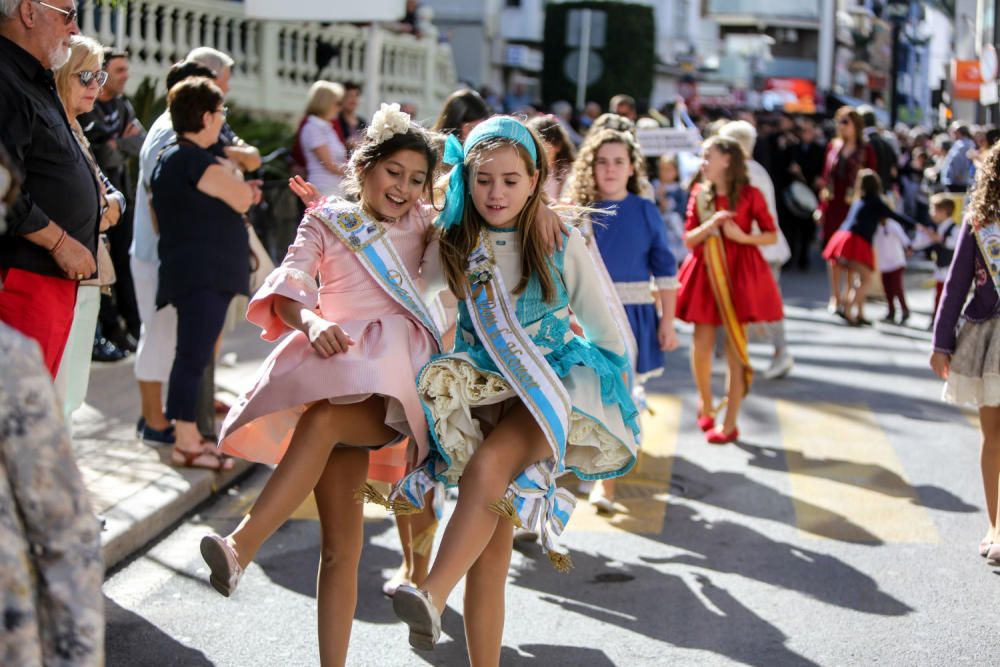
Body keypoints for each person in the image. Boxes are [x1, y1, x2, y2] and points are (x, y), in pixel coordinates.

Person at [390, 117, 639, 664]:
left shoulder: (559, 238)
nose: (496, 192)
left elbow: (607, 331)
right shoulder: (454, 240)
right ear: (466, 179)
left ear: (534, 180)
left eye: (509, 179)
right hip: (482, 395)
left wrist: (613, 396)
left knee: (488, 469)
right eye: (483, 180)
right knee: (489, 559)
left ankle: (431, 594)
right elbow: (404, 288)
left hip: (547, 392)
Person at [565, 126, 678, 512]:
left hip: (631, 317)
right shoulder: (576, 213)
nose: (610, 170)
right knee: (586, 397)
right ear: (590, 167)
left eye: (619, 162)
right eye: (602, 162)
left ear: (632, 167)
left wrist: (668, 320)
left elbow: (664, 266)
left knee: (617, 397)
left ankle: (606, 486)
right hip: (584, 320)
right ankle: (584, 469)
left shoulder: (645, 210)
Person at [150, 76, 256, 470]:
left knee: (192, 356)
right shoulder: (192, 159)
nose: (222, 119)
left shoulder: (175, 158)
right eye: (221, 112)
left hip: (196, 271)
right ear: (208, 116)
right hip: (202, 275)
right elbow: (242, 196)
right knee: (192, 357)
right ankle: (186, 441)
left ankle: (189, 437)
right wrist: (234, 178)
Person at [0, 0, 100, 377]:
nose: (74, 29)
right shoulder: (6, 79)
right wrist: (60, 242)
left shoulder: (33, 77)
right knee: (16, 417)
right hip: (24, 278)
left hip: (46, 280)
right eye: (68, 15)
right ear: (28, 12)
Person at [130, 59, 216, 447]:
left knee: (167, 339)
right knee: (159, 337)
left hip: (166, 253)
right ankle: (152, 419)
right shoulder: (169, 133)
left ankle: (159, 415)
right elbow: (159, 199)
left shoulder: (173, 128)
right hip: (160, 255)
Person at [675, 136, 783, 444]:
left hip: (739, 273)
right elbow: (688, 238)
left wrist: (742, 237)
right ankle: (706, 403)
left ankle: (731, 421)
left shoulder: (750, 194)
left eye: (709, 156)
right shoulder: (700, 192)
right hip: (706, 271)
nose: (703, 163)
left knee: (737, 348)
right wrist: (711, 226)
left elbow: (771, 235)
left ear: (727, 160)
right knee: (702, 344)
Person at [929, 141, 1000, 562]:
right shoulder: (979, 223)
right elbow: (955, 286)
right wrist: (941, 342)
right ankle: (996, 524)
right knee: (993, 434)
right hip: (988, 338)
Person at [52, 35, 127, 424]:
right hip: (61, 269)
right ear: (62, 75)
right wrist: (103, 209)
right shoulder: (54, 128)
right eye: (86, 76)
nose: (96, 86)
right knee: (56, 385)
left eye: (99, 76)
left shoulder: (79, 129)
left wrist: (108, 207)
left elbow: (112, 197)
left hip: (91, 268)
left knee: (73, 385)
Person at [80, 46, 145, 359]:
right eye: (119, 70)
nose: (125, 76)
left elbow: (140, 143)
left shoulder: (123, 105)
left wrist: (116, 142)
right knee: (103, 272)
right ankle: (109, 333)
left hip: (123, 200)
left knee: (124, 266)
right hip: (98, 205)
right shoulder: (87, 107)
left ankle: (133, 329)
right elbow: (102, 155)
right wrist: (121, 142)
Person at [719, 120, 794, 380]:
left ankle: (779, 353)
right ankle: (743, 354)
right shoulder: (755, 171)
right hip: (761, 249)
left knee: (765, 305)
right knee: (755, 305)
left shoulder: (746, 174)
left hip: (757, 250)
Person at [822, 169, 920, 326]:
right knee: (866, 278)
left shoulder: (859, 201)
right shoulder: (875, 202)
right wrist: (917, 225)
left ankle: (858, 312)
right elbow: (894, 216)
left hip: (843, 237)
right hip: (856, 240)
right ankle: (848, 309)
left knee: (858, 277)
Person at [818, 107, 877, 312]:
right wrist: (820, 207)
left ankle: (847, 294)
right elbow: (826, 179)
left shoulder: (865, 149)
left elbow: (873, 180)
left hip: (853, 207)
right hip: (833, 205)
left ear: (856, 125)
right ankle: (835, 296)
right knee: (833, 253)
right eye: (839, 121)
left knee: (851, 254)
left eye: (845, 122)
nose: (841, 126)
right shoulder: (833, 147)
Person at [298, 80, 348, 197]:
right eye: (337, 103)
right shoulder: (313, 128)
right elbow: (329, 165)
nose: (339, 108)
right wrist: (358, 173)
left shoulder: (327, 127)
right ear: (325, 102)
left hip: (336, 189)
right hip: (323, 190)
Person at [924, 193, 960, 318]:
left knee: (946, 295)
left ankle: (943, 317)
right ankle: (936, 317)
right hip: (940, 266)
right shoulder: (938, 227)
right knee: (938, 293)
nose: (931, 213)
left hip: (949, 268)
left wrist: (939, 239)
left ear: (943, 211)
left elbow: (954, 244)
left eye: (934, 209)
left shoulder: (955, 228)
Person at [527, 114, 576, 202]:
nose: (536, 150)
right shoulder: (527, 170)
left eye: (542, 144)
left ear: (557, 146)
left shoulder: (567, 172)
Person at [873, 215, 912, 325]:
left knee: (897, 288)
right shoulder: (876, 226)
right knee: (887, 289)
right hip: (883, 263)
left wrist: (908, 248)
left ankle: (904, 310)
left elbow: (904, 239)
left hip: (896, 262)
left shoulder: (893, 225)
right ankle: (891, 311)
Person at [940, 123, 975, 193]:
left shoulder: (963, 145)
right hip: (956, 181)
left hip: (957, 182)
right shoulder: (961, 143)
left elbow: (958, 160)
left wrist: (958, 174)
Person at [333, 81, 366, 152]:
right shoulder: (336, 121)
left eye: (356, 95)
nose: (353, 99)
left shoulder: (362, 122)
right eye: (350, 96)